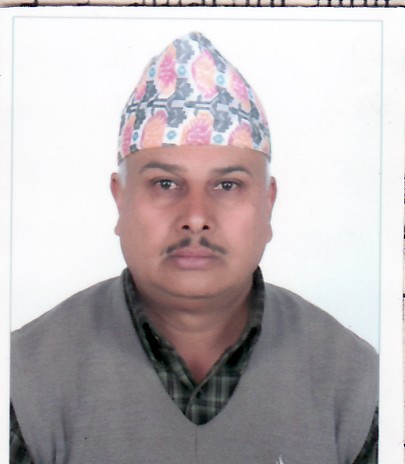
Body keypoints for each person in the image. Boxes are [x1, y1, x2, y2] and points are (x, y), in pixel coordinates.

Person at [10, 32, 378, 464]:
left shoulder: (360, 387)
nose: (197, 216)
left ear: (268, 203)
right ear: (120, 199)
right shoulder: (21, 383)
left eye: (228, 185)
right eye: (165, 183)